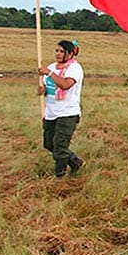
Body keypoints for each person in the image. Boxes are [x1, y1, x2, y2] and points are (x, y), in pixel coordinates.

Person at [39, 39, 85, 178]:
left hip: (67, 113)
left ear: (70, 54)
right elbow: (49, 88)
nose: (58, 54)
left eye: (62, 51)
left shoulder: (75, 68)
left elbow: (65, 85)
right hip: (51, 112)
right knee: (49, 144)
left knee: (59, 147)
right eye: (57, 50)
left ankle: (59, 177)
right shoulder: (51, 67)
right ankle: (75, 162)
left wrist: (49, 73)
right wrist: (42, 90)